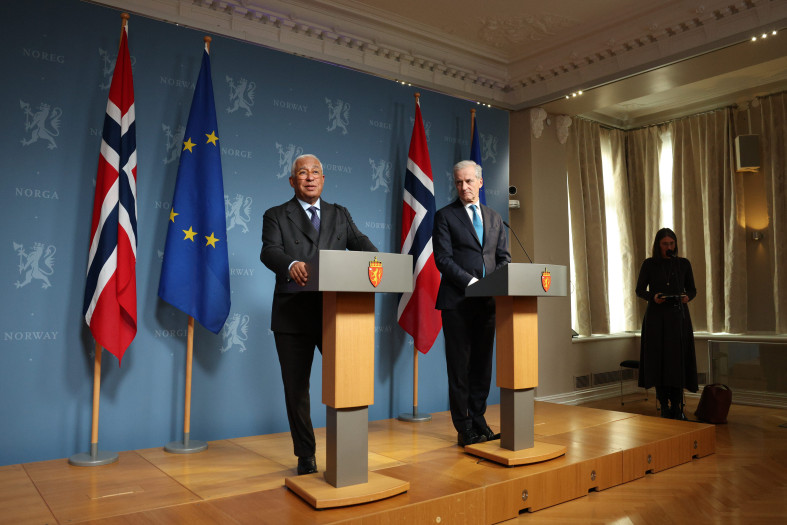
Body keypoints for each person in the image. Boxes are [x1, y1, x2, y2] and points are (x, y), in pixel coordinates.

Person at [260, 154, 377, 475]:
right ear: (292, 181)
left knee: (347, 379)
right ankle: (306, 454)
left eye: (315, 173)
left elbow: (362, 243)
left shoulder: (340, 214)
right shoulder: (275, 215)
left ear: (323, 179)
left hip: (335, 314)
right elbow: (269, 251)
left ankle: (349, 451)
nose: (309, 178)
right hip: (292, 315)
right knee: (296, 389)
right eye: (302, 173)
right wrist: (289, 264)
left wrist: (381, 261)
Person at [433, 160, 511, 446]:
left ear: (480, 181)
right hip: (457, 304)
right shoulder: (445, 216)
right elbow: (443, 259)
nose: (463, 187)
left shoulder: (494, 217)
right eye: (458, 182)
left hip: (487, 305)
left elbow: (503, 257)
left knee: (482, 368)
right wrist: (471, 283)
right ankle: (464, 427)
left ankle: (480, 421)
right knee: (460, 368)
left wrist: (495, 282)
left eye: (468, 181)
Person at [635, 227, 698, 420]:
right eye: (665, 244)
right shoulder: (649, 264)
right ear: (658, 245)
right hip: (656, 317)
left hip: (678, 318)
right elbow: (639, 290)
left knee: (677, 361)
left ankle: (678, 405)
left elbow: (692, 289)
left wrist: (687, 297)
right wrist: (653, 297)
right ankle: (664, 405)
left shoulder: (683, 264)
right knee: (659, 361)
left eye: (671, 243)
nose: (669, 247)